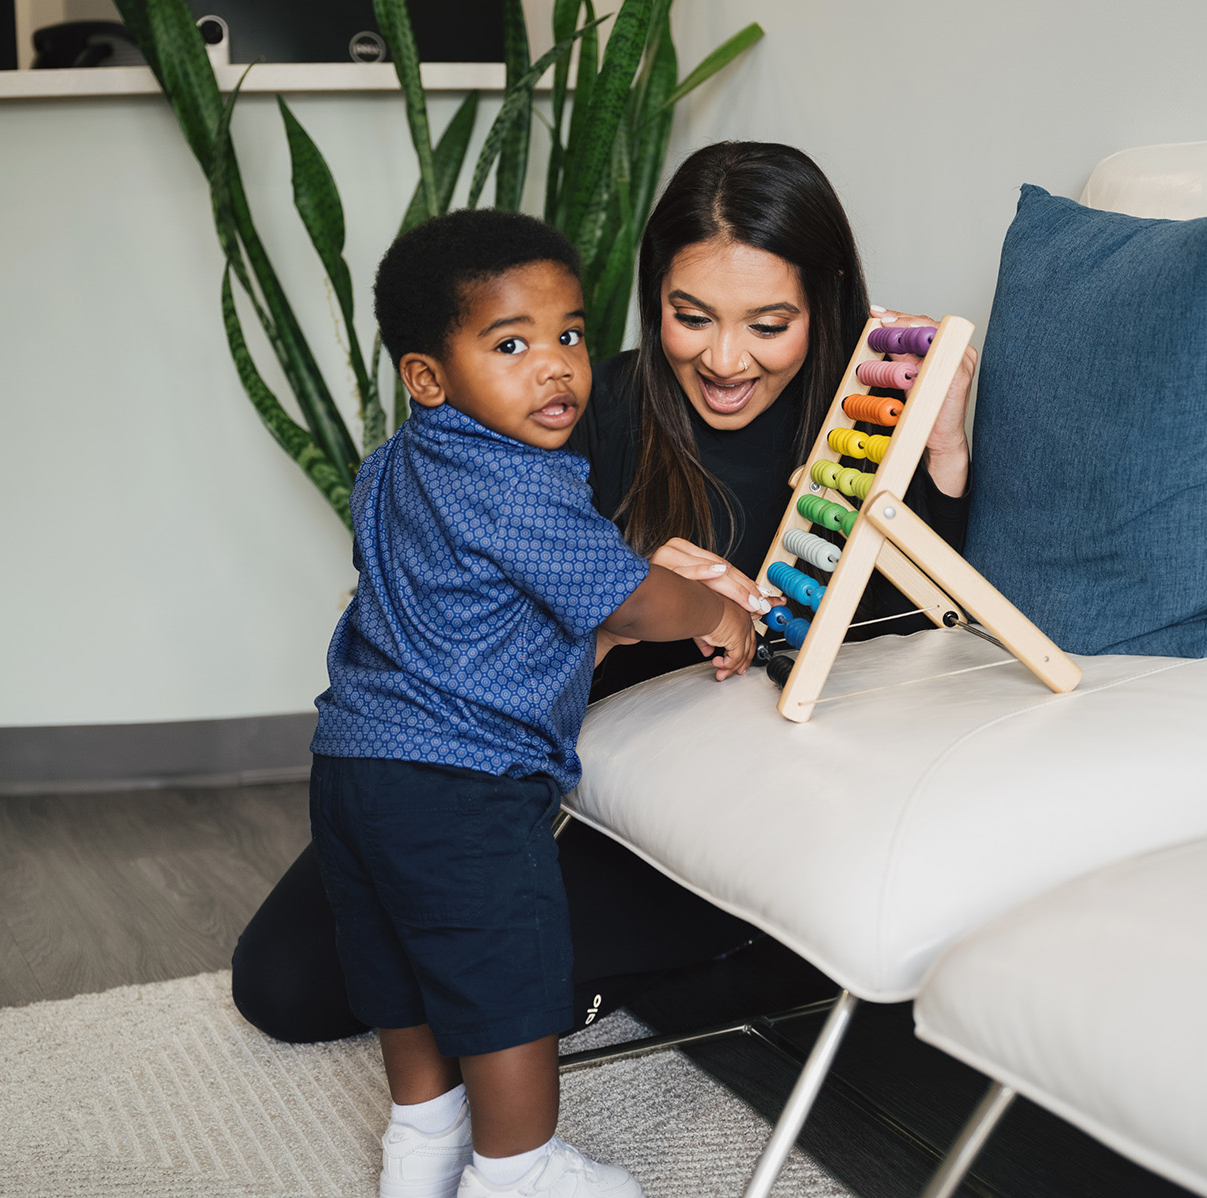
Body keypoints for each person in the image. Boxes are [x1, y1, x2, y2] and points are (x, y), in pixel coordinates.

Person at [232, 140, 977, 1047]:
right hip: (517, 761)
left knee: (463, 974)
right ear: (652, 296)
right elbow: (459, 617)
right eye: (690, 316)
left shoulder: (863, 434)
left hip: (708, 790)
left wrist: (941, 459)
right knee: (284, 983)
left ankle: (674, 958)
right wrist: (628, 592)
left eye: (768, 324)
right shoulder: (572, 404)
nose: (727, 360)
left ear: (823, 303)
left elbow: (928, 640)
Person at [313, 206, 754, 1198]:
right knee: (508, 983)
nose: (553, 366)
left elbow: (451, 609)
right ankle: (518, 1170)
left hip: (351, 766)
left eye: (569, 336)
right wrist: (715, 610)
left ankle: (422, 1147)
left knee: (406, 972)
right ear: (427, 376)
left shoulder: (390, 468)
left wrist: (569, 635)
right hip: (464, 788)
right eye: (510, 344)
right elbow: (638, 601)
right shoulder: (523, 487)